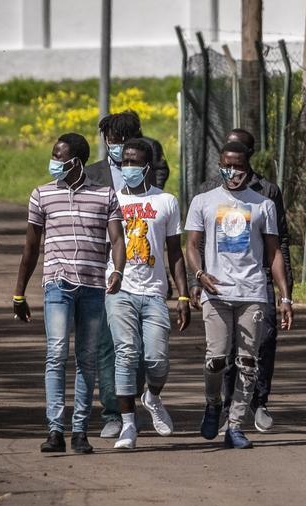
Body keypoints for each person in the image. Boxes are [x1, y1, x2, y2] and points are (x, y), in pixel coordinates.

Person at [13, 132, 125, 454]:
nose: (54, 162)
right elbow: (31, 248)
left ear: (75, 162)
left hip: (92, 287)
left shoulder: (105, 195)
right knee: (56, 353)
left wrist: (116, 270)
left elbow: (117, 240)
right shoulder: (42, 195)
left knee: (87, 359)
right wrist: (18, 294)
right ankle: (54, 430)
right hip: (57, 285)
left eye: (58, 156)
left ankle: (80, 431)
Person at [185, 141, 293, 450]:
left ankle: (235, 424)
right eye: (226, 166)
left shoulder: (263, 205)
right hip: (216, 292)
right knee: (216, 359)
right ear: (219, 165)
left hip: (253, 291)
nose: (232, 172)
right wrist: (199, 275)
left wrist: (284, 297)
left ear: (249, 170)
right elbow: (192, 244)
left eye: (239, 167)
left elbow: (274, 253)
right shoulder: (203, 201)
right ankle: (211, 404)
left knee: (248, 361)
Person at [85, 110, 171, 439]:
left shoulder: (152, 180)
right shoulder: (94, 177)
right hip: (107, 277)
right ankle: (114, 413)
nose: (117, 148)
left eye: (123, 141)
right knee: (112, 346)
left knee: (143, 352)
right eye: (111, 142)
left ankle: (135, 400)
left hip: (146, 276)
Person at [105, 138, 192, 449]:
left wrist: (183, 295)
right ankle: (128, 426)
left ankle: (152, 396)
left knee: (157, 359)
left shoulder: (165, 202)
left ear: (148, 167)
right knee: (126, 355)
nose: (128, 167)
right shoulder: (110, 200)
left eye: (134, 162)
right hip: (120, 289)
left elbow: (175, 253)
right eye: (124, 161)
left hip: (155, 291)